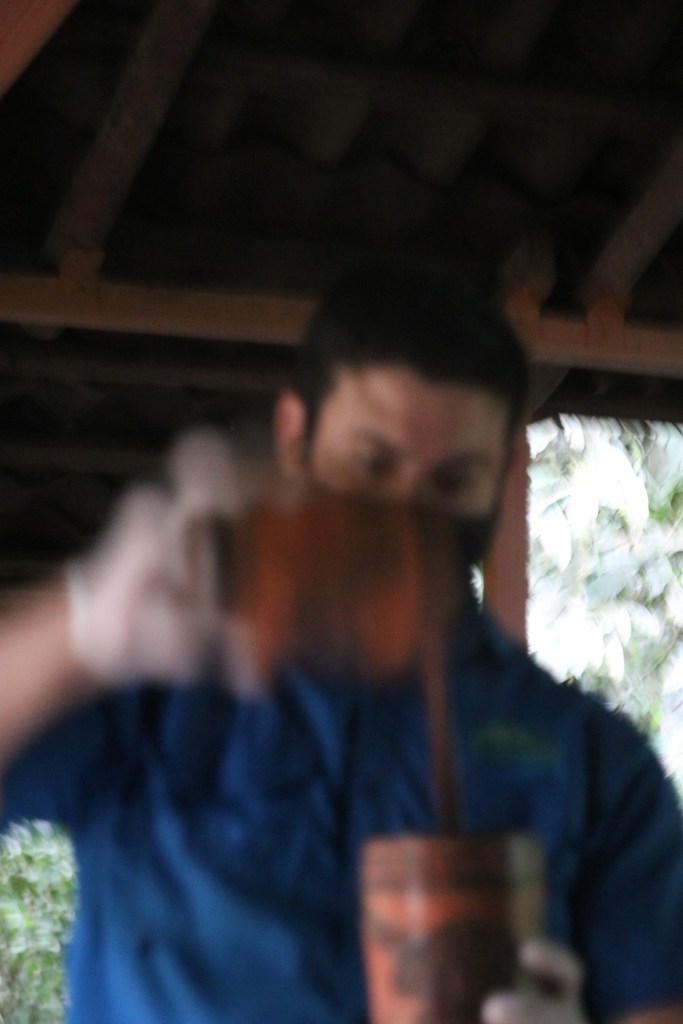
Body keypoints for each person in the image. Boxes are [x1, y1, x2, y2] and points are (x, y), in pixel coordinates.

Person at [0, 265, 682, 1024]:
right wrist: (81, 619)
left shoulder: (593, 762)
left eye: (453, 480)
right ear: (295, 436)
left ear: (505, 471)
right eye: (373, 464)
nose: (407, 513)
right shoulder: (155, 692)